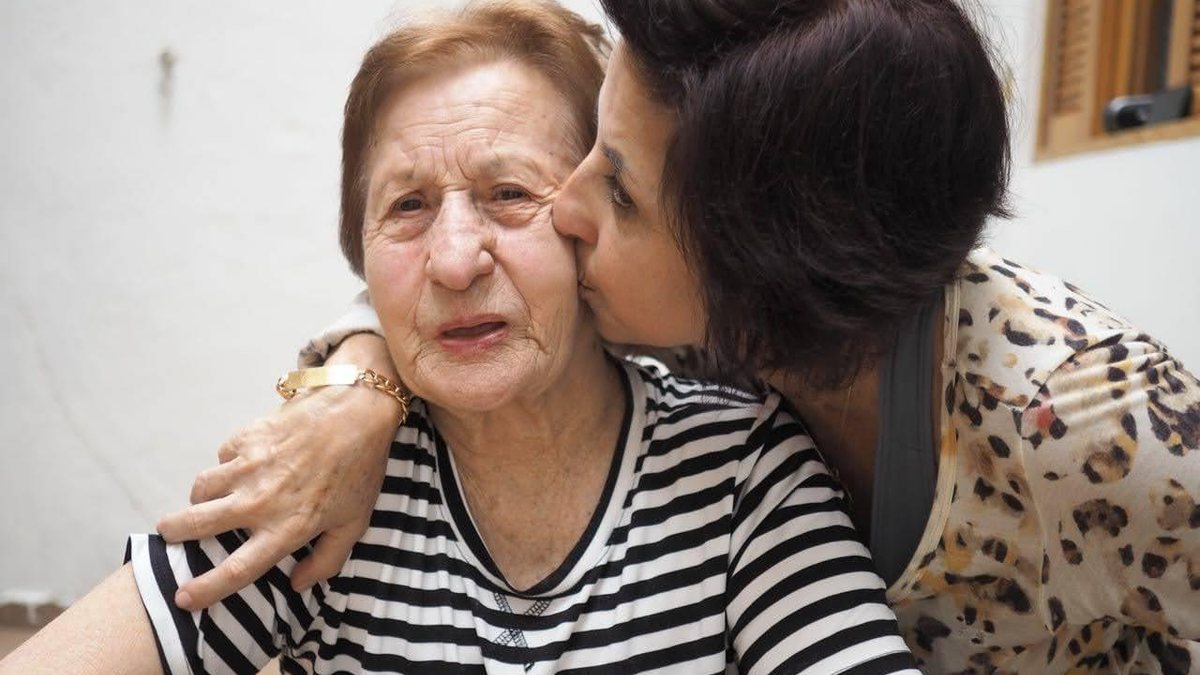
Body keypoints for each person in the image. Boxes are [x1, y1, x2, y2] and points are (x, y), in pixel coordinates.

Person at [150, 0, 1200, 672]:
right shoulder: (685, 324)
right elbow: (445, 292)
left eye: (615, 189)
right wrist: (357, 387)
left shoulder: (1089, 409)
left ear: (750, 263)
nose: (562, 212)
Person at [0, 2, 919, 674]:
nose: (452, 258)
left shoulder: (737, 462)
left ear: (590, 218)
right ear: (358, 255)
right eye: (405, 207)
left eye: (510, 194)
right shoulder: (324, 476)